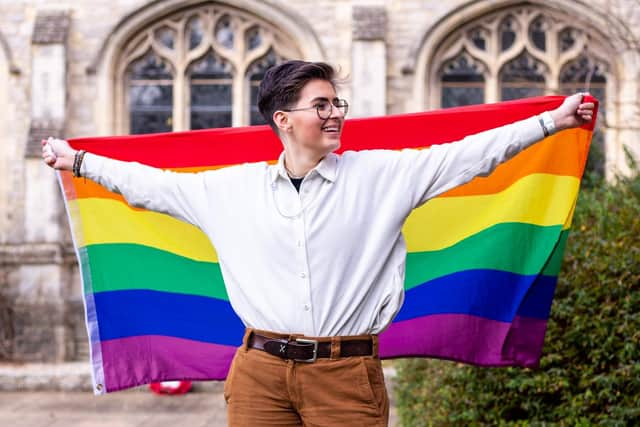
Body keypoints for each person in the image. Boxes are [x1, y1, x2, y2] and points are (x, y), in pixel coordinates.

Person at [42, 60, 594, 426]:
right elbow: (149, 185)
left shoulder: (382, 176)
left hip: (346, 375)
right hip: (258, 372)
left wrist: (552, 121)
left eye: (337, 104)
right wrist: (78, 161)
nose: (335, 114)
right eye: (321, 105)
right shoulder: (227, 190)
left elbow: (468, 155)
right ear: (283, 119)